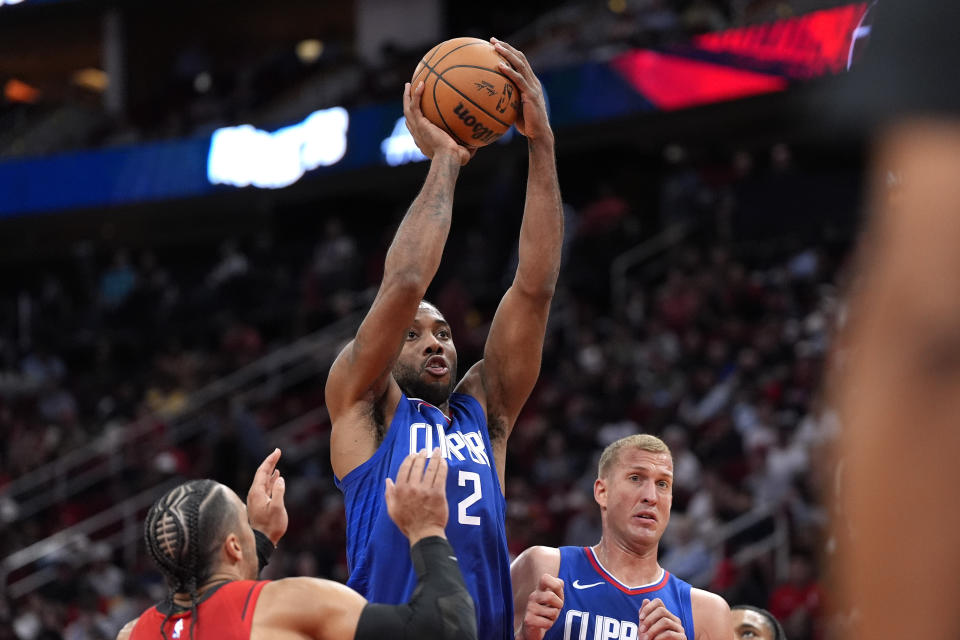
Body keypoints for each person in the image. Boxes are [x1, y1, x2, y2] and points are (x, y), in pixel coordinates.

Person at [325, 37, 562, 640]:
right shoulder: (363, 402)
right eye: (413, 335)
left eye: (444, 332)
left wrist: (542, 145)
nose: (435, 343)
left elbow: (534, 287)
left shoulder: (486, 410)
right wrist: (445, 163)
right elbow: (405, 281)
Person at [116, 448, 476, 640]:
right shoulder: (292, 603)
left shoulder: (131, 634)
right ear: (233, 548)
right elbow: (447, 629)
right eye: (244, 520)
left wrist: (259, 538)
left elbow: (210, 605)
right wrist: (427, 529)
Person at [511, 434, 732, 640]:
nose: (651, 497)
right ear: (602, 492)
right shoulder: (542, 567)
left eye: (663, 484)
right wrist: (524, 636)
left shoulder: (707, 612)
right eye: (636, 478)